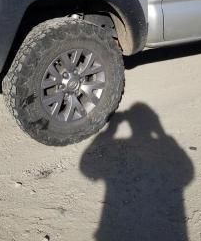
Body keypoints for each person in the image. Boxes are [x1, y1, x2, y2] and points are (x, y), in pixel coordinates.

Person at [80, 103, 194, 240]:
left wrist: (111, 129)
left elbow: (86, 169)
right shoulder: (167, 144)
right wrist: (161, 133)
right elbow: (187, 174)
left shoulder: (163, 144)